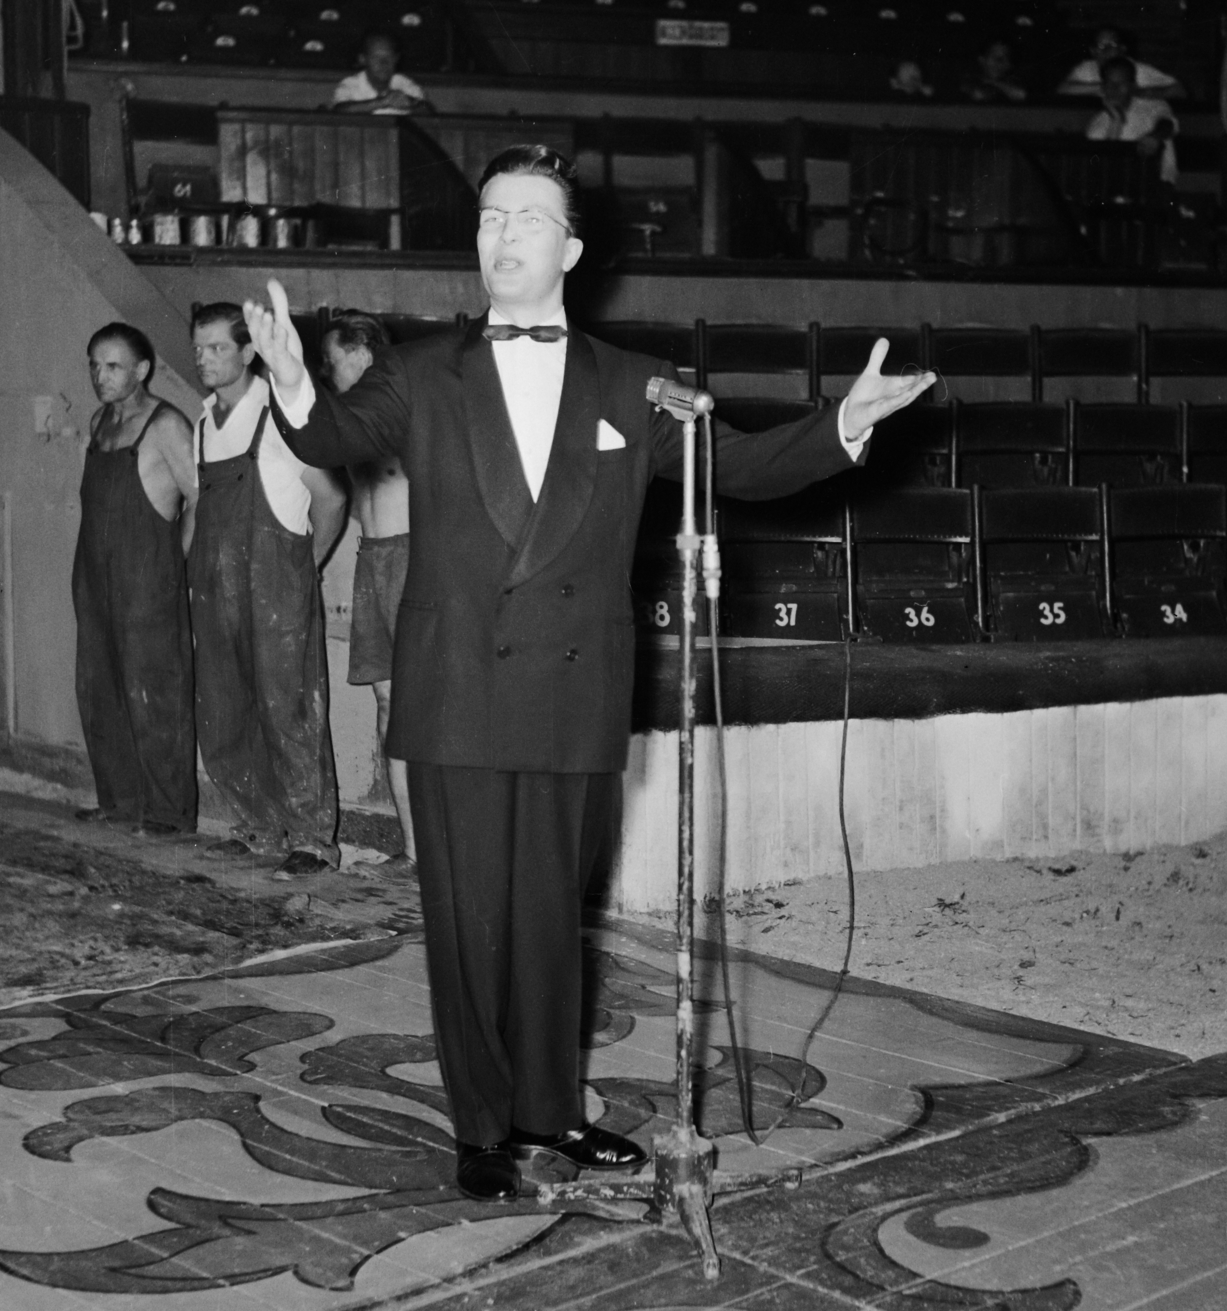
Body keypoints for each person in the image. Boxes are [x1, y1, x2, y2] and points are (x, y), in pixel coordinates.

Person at [242, 144, 936, 1203]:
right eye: (490, 217)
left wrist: (842, 424)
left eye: (528, 218)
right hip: (459, 689)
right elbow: (331, 430)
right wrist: (291, 378)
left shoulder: (634, 382)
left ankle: (551, 1113)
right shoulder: (423, 370)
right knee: (469, 925)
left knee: (551, 918)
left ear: (571, 249)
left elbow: (740, 466)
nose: (503, 235)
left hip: (572, 692)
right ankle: (483, 1128)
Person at [188, 303, 348, 878]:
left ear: (249, 351)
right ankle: (257, 827)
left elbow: (331, 497)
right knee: (225, 708)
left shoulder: (278, 414)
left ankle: (311, 840)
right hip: (216, 589)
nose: (204, 359)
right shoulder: (203, 425)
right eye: (198, 348)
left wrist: (305, 566)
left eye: (217, 348)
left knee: (289, 711)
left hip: (276, 587)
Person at [72, 324, 199, 836]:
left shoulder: (166, 425)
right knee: (99, 688)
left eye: (112, 366)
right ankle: (119, 801)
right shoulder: (100, 421)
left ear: (142, 370)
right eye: (94, 365)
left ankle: (168, 814)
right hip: (93, 575)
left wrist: (174, 562)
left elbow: (201, 498)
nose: (99, 376)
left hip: (147, 576)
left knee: (156, 693)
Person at [323, 310, 417, 874]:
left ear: (361, 353)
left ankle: (443, 851)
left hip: (412, 558)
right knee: (387, 704)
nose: (329, 373)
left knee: (418, 707)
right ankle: (414, 851)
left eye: (333, 361)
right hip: (372, 560)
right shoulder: (351, 421)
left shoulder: (409, 406)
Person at [1087, 56, 1178, 184]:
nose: (1114, 88)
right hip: (1117, 186)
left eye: (1121, 83)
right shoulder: (1097, 122)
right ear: (1102, 87)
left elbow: (1167, 124)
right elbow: (1104, 167)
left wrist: (1154, 137)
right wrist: (1116, 121)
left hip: (1158, 185)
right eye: (1109, 83)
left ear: (1133, 86)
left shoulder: (1154, 106)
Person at [1058, 26, 1181, 99]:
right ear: (1093, 51)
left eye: (1112, 45)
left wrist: (1142, 93)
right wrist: (1104, 88)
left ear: (1122, 49)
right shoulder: (1086, 68)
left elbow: (1179, 90)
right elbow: (1062, 90)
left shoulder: (1137, 69)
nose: (1106, 50)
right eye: (1101, 46)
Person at [332, 31, 432, 115]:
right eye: (376, 57)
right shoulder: (350, 84)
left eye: (389, 57)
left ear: (396, 59)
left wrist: (411, 103)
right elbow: (339, 111)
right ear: (363, 59)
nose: (384, 63)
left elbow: (429, 113)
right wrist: (383, 102)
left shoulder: (405, 84)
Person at [962, 39, 1027, 103]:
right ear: (982, 60)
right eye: (997, 58)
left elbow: (1021, 94)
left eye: (1006, 59)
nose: (1002, 64)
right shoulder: (970, 79)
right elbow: (977, 94)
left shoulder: (1013, 79)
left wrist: (993, 83)